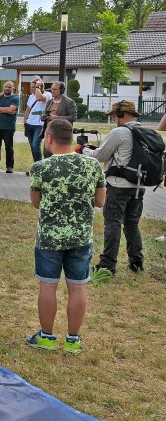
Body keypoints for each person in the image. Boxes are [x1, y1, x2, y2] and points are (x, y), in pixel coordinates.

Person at [27, 120, 105, 353]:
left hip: (49, 237)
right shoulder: (93, 165)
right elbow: (100, 201)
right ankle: (73, 339)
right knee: (78, 287)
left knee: (48, 286)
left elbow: (35, 203)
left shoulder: (41, 168)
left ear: (49, 138)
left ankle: (47, 337)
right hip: (81, 236)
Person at [86, 100, 148, 276]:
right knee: (131, 224)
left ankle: (107, 265)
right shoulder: (144, 131)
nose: (113, 119)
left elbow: (100, 155)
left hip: (118, 185)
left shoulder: (119, 132)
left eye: (114, 115)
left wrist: (84, 150)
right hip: (138, 186)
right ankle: (136, 262)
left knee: (112, 223)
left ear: (121, 114)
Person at [0, 81, 19, 174]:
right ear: (4, 87)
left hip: (9, 126)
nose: (7, 88)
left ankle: (10, 166)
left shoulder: (15, 98)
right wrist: (6, 110)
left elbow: (11, 110)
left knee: (8, 147)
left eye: (9, 87)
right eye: (6, 86)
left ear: (13, 88)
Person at [24, 78, 48, 162]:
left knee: (35, 145)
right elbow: (27, 110)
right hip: (29, 124)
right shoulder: (31, 96)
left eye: (33, 87)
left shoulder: (47, 94)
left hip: (39, 125)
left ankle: (39, 167)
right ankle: (35, 165)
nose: (31, 89)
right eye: (31, 87)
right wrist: (25, 122)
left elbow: (39, 98)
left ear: (40, 87)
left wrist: (38, 87)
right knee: (32, 147)